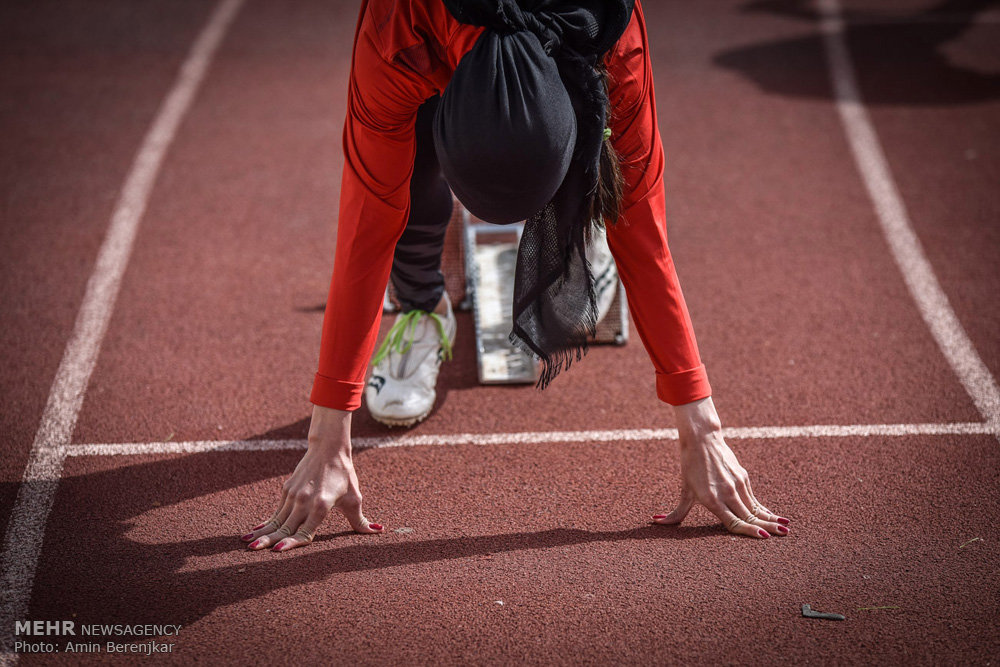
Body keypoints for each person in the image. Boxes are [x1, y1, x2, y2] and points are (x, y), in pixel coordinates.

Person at [241, 0, 790, 553]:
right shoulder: (397, 34)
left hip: (571, 60)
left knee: (615, 187)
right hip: (434, 33)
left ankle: (579, 196)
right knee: (404, 184)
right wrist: (327, 435)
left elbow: (643, 231)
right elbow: (367, 226)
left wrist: (703, 427)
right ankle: (422, 307)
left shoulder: (614, 40)